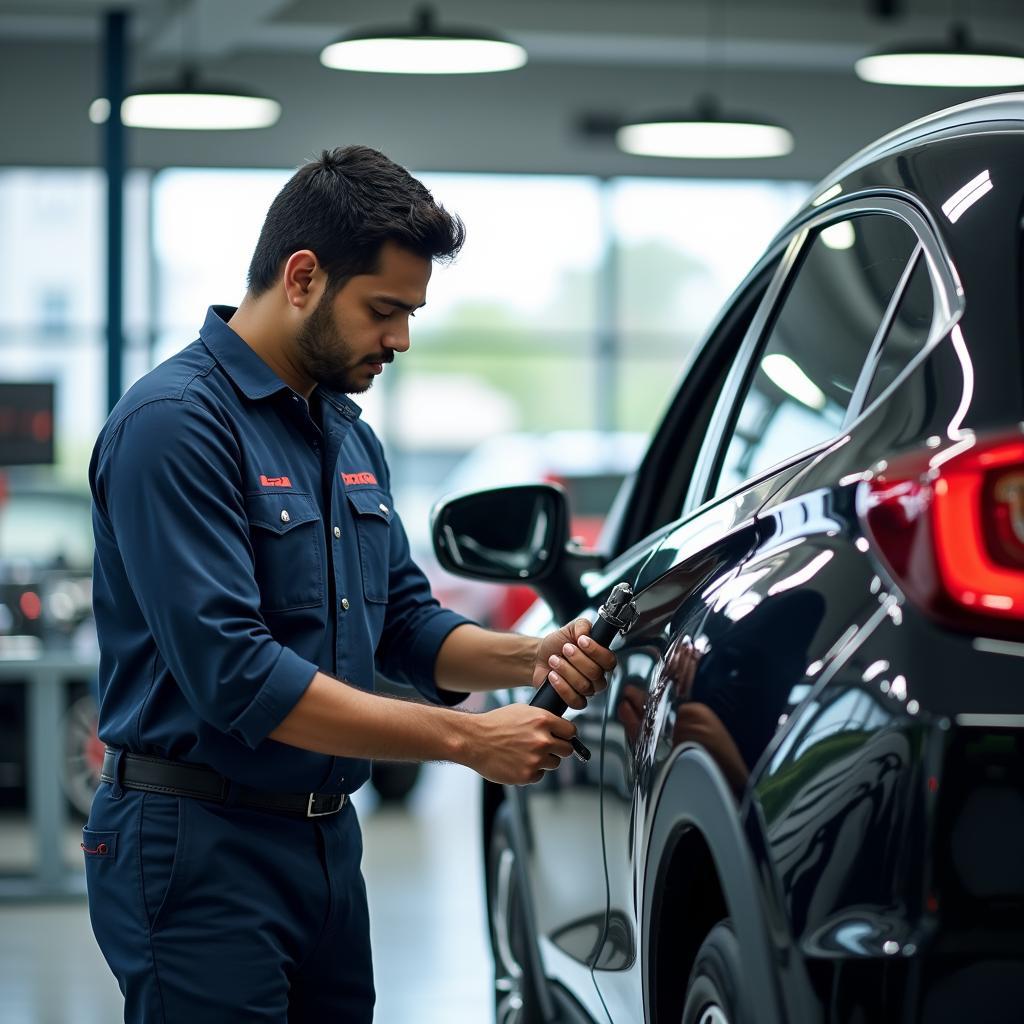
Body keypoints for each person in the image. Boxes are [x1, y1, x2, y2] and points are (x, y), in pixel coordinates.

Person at [83, 145, 616, 1023]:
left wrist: (532, 654)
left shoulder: (344, 434)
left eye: (409, 312)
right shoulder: (174, 428)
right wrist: (466, 742)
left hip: (325, 841)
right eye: (384, 310)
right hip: (198, 846)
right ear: (302, 278)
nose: (400, 339)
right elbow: (238, 675)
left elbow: (405, 621)